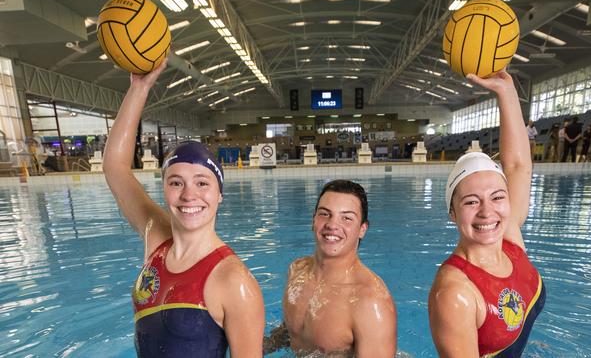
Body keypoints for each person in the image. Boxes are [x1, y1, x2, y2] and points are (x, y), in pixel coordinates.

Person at [103, 59, 265, 358]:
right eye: (176, 183)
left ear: (220, 195)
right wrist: (139, 88)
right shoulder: (155, 238)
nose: (189, 195)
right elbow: (115, 167)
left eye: (202, 183)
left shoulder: (234, 281)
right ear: (164, 188)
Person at [428, 71, 546, 357]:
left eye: (497, 197)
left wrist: (506, 92)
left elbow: (518, 166)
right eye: (471, 202)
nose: (487, 212)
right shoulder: (456, 292)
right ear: (453, 214)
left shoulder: (509, 238)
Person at [264, 180, 397, 357]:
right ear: (313, 220)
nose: (332, 225)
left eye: (347, 218)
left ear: (362, 230)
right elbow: (290, 333)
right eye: (325, 214)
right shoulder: (296, 271)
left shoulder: (370, 302)